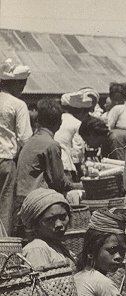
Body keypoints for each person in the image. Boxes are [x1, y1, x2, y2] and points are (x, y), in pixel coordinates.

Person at [15, 99, 80, 232]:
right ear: (59, 123)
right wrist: (79, 186)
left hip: (21, 199)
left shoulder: (31, 141)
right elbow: (59, 181)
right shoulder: (51, 145)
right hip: (37, 201)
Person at [0, 58, 32, 235]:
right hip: (6, 160)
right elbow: (25, 139)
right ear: (17, 83)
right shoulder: (18, 105)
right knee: (5, 206)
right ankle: (3, 246)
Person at [20, 188, 75, 269]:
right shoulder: (37, 249)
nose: (59, 224)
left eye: (63, 217)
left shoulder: (57, 246)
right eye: (50, 220)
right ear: (35, 224)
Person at [56, 88, 99, 179]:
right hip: (66, 166)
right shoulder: (77, 124)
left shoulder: (59, 119)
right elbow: (76, 153)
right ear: (81, 112)